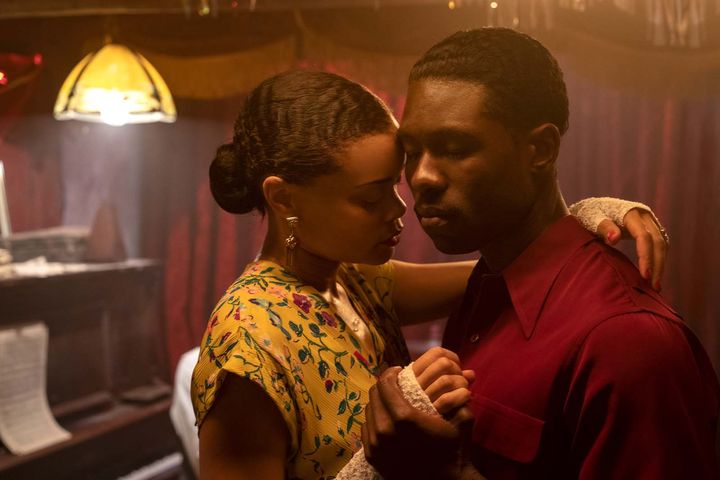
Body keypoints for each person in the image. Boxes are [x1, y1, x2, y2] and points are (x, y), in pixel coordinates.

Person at [191, 70, 668, 480]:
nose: (400, 209)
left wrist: (582, 218)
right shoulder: (248, 350)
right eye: (370, 197)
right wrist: (383, 464)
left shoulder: (354, 279)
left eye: (395, 185)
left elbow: (517, 272)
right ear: (285, 199)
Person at [361, 28, 720, 479]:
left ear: (541, 149)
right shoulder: (489, 284)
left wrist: (438, 473)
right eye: (412, 152)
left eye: (456, 148)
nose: (423, 177)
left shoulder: (628, 342)